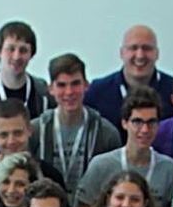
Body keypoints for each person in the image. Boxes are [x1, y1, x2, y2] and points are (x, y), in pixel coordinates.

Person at [76, 88, 173, 207]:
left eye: (151, 122)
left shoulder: (169, 169)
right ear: (124, 123)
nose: (145, 129)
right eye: (137, 122)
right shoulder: (101, 165)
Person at [32, 52, 122, 189]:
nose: (69, 92)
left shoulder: (107, 133)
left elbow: (115, 184)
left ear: (86, 85)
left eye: (75, 84)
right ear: (51, 89)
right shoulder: (35, 131)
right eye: (62, 85)